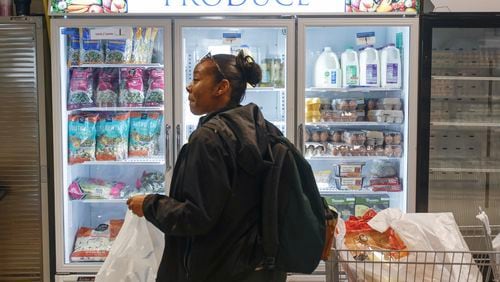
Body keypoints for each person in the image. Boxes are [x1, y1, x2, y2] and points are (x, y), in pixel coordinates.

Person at [127, 50, 287, 282]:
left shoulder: (209, 139)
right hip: (257, 266)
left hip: (218, 267)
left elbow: (196, 217)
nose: (188, 87)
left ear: (221, 88)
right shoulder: (262, 129)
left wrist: (150, 205)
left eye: (196, 79)